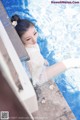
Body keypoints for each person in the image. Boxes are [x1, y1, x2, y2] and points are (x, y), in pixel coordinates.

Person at [11, 14, 80, 86]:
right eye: (28, 39)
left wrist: (42, 60)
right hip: (39, 78)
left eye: (35, 33)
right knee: (70, 63)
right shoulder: (30, 54)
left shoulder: (29, 45)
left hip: (39, 69)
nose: (34, 40)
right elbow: (34, 80)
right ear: (20, 40)